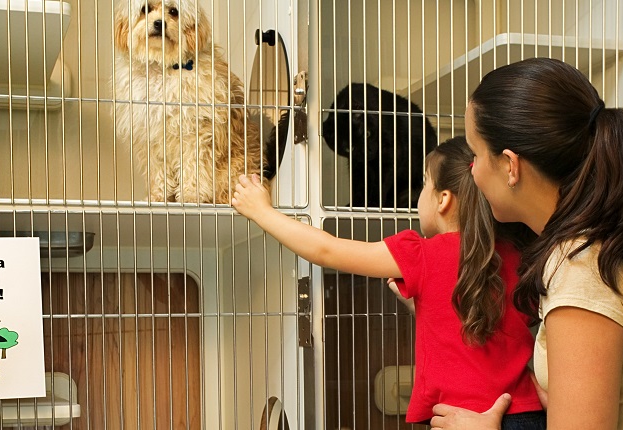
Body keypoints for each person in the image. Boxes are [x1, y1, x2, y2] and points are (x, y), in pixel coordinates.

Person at [232, 137, 545, 428]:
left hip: (460, 419)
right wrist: (421, 305)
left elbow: (325, 249)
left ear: (443, 200)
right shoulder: (518, 254)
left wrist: (261, 211)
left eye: (425, 183)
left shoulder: (421, 254)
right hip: (528, 414)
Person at [430, 58, 623, 430]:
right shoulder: (606, 231)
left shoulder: (580, 265)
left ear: (511, 166)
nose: (473, 171)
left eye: (476, 155)